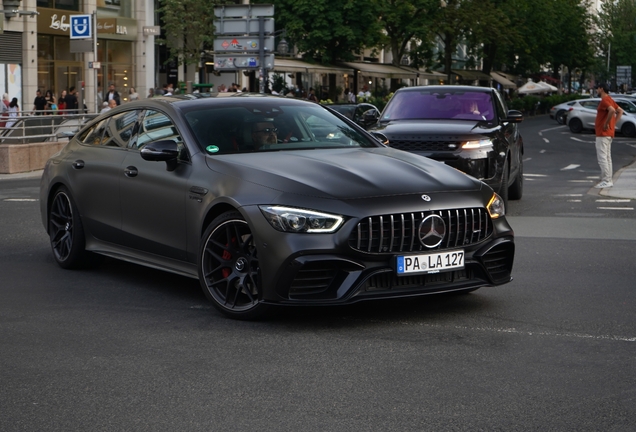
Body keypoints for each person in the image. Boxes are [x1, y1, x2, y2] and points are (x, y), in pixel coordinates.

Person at [594, 82, 623, 189]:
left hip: (603, 133)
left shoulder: (605, 100)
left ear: (601, 89)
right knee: (607, 157)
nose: (596, 91)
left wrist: (606, 124)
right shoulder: (610, 99)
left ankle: (606, 180)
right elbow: (620, 111)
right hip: (609, 133)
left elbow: (612, 110)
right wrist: (613, 124)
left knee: (602, 157)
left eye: (597, 88)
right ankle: (608, 179)